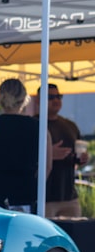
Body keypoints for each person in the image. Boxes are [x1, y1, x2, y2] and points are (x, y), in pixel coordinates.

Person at [0, 78, 53, 212]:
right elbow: (46, 167)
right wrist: (33, 188)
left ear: (0, 97)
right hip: (25, 195)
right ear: (25, 98)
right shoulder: (40, 127)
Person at [36, 84, 89, 218]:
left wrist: (81, 159)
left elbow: (75, 157)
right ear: (39, 100)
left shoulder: (70, 126)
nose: (56, 100)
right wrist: (49, 155)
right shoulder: (33, 124)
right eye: (50, 97)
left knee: (75, 236)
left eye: (59, 96)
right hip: (44, 197)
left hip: (69, 196)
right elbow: (23, 158)